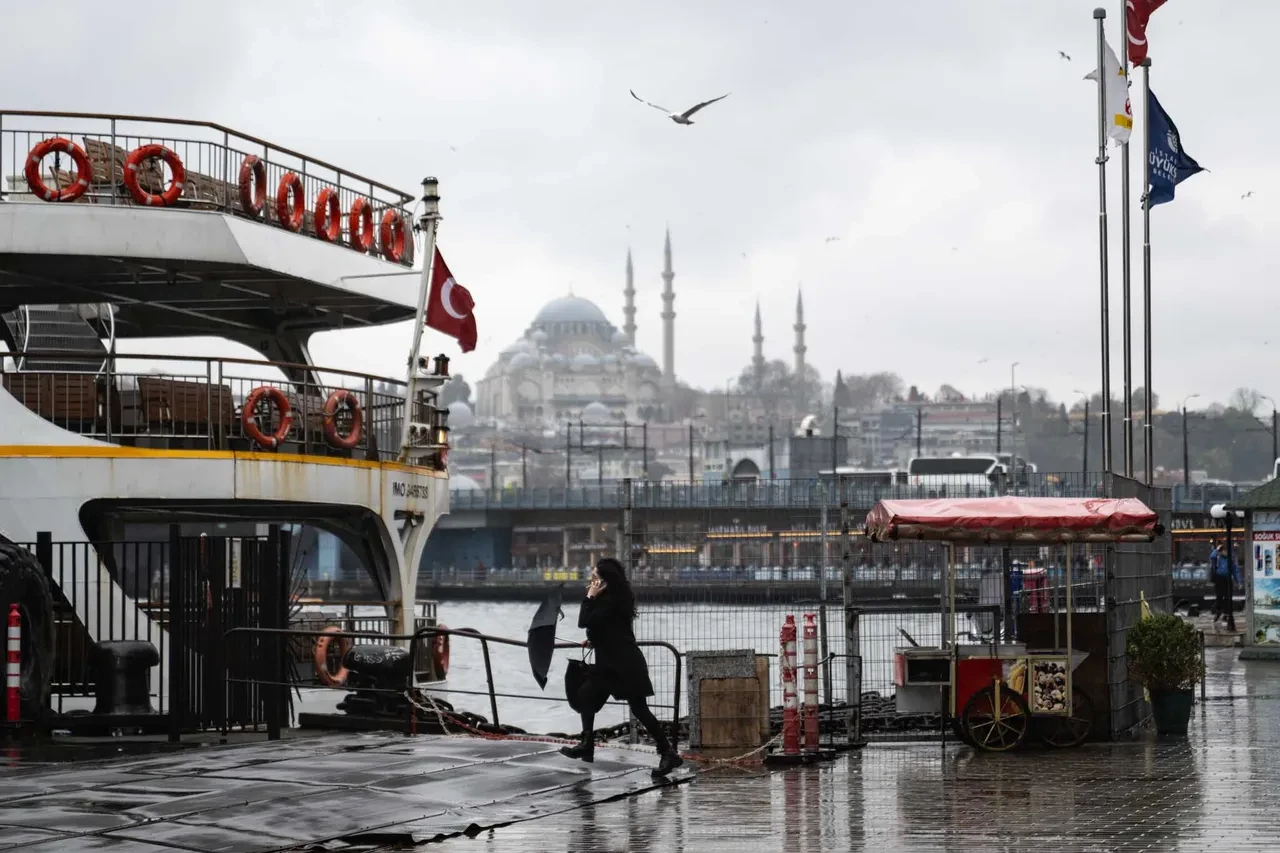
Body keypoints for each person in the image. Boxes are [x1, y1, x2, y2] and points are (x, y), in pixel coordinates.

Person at [559, 557, 683, 777]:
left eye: (595, 577)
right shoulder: (610, 598)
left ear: (605, 581)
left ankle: (667, 752)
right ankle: (587, 743)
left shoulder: (611, 600)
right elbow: (605, 627)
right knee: (587, 695)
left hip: (624, 664)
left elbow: (585, 620)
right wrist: (593, 639)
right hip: (610, 663)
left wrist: (589, 597)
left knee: (639, 709)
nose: (591, 580)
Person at [1209, 540, 1240, 631]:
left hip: (1227, 579)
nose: (1226, 552)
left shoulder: (1230, 559)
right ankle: (1218, 611)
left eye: (1226, 551)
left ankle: (1227, 614)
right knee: (1219, 596)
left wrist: (1239, 582)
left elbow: (1235, 571)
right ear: (1221, 551)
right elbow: (1212, 556)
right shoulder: (1217, 557)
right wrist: (1217, 549)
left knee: (1228, 597)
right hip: (1219, 579)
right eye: (1224, 550)